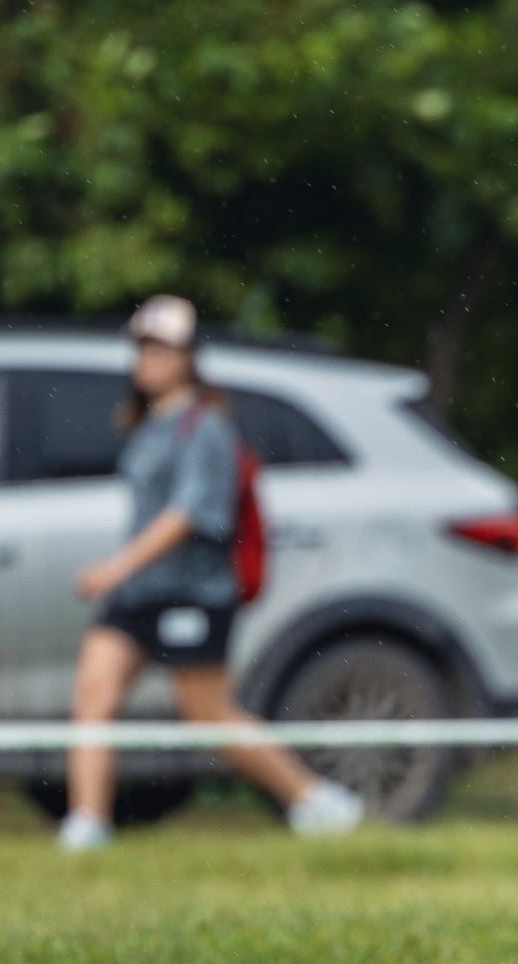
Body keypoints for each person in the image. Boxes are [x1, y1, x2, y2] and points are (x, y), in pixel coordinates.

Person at [59, 295, 364, 850]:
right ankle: (87, 826)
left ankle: (316, 801)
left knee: (208, 715)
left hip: (192, 594)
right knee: (92, 698)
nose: (148, 358)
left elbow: (188, 515)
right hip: (139, 593)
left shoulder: (206, 426)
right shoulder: (148, 423)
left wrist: (115, 567)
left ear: (187, 356)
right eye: (142, 347)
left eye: (161, 348)